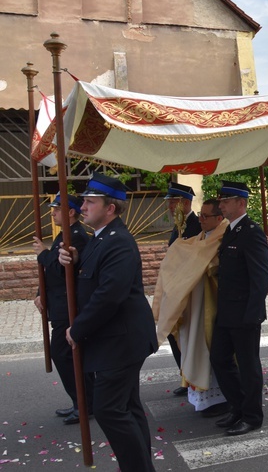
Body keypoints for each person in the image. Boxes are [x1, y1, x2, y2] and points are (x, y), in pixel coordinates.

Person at [58, 173, 158, 472]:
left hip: (122, 340)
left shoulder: (119, 242)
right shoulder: (101, 238)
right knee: (126, 406)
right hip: (117, 338)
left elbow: (108, 295)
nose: (83, 206)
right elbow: (94, 279)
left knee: (109, 409)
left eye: (90, 201)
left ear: (110, 208)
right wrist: (76, 261)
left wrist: (78, 329)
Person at [152, 198, 230, 418]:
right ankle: (204, 397)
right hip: (194, 303)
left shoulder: (223, 235)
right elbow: (191, 255)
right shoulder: (202, 236)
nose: (201, 219)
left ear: (218, 218)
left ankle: (221, 399)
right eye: (201, 215)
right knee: (192, 345)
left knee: (209, 349)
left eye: (205, 216)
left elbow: (212, 265)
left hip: (209, 304)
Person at [210, 180, 268, 436]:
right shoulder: (231, 231)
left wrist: (254, 313)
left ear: (241, 203)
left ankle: (252, 416)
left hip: (245, 313)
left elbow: (260, 277)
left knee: (248, 366)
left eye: (225, 201)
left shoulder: (252, 232)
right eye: (221, 201)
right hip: (226, 311)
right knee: (219, 359)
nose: (221, 205)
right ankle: (237, 406)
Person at [32, 193, 93, 425]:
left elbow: (61, 270)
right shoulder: (64, 235)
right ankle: (83, 402)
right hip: (58, 305)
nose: (53, 213)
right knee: (69, 354)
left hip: (69, 306)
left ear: (71, 212)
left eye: (57, 209)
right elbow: (51, 274)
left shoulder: (77, 237)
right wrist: (41, 293)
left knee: (63, 353)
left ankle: (83, 403)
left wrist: (43, 254)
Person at [164, 181, 202, 396]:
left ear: (185, 203)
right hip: (176, 289)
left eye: (173, 202)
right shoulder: (178, 225)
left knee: (187, 334)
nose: (170, 207)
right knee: (174, 334)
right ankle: (185, 376)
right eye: (169, 203)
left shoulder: (195, 225)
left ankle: (192, 377)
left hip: (190, 290)